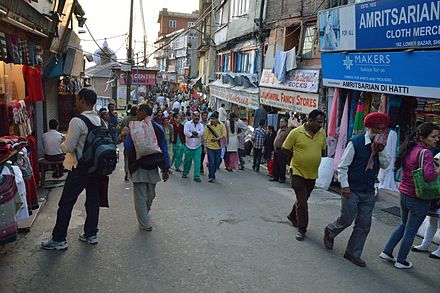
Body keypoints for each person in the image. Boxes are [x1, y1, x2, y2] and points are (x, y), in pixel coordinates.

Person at [323, 112, 391, 267]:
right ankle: (330, 230)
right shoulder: (356, 142)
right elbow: (342, 166)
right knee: (347, 219)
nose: (380, 132)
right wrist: (345, 186)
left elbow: (386, 165)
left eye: (382, 129)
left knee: (364, 224)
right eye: (378, 128)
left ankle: (353, 253)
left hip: (368, 190)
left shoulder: (381, 145)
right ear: (370, 127)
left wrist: (380, 150)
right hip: (352, 188)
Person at [42, 88, 103, 250]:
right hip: (97, 169)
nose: (75, 103)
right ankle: (91, 234)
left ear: (83, 100)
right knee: (93, 202)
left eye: (77, 99)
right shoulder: (100, 121)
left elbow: (69, 147)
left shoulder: (77, 121)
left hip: (80, 169)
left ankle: (59, 239)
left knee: (66, 203)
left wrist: (62, 142)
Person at [381, 122, 440, 269]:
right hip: (418, 197)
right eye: (433, 136)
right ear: (422, 137)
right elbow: (429, 176)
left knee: (404, 225)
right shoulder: (425, 152)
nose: (436, 139)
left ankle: (387, 251)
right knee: (411, 230)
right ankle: (401, 261)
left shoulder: (410, 147)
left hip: (404, 194)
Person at [283, 110, 327, 241]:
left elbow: (323, 149)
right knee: (303, 203)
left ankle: (292, 215)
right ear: (310, 120)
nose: (321, 125)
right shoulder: (296, 132)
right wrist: (295, 159)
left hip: (312, 174)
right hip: (297, 171)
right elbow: (285, 148)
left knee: (303, 199)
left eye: (322, 123)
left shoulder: (322, 133)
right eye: (319, 122)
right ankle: (302, 229)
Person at [125, 104, 170, 231]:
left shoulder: (134, 128)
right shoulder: (158, 128)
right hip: (150, 166)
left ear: (143, 112)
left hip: (139, 165)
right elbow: (164, 149)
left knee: (142, 197)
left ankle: (144, 216)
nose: (136, 114)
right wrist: (165, 169)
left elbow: (128, 146)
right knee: (149, 195)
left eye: (138, 112)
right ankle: (145, 222)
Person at [182, 111, 204, 182]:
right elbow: (186, 133)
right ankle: (185, 172)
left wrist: (195, 133)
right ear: (192, 116)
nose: (197, 117)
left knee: (197, 161)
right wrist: (196, 134)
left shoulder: (201, 125)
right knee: (187, 161)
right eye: (195, 116)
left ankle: (197, 176)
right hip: (188, 146)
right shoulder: (187, 124)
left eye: (198, 116)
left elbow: (202, 133)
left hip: (198, 146)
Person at [204, 111, 225, 183]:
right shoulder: (208, 126)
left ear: (217, 119)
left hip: (218, 147)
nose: (212, 120)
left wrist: (216, 139)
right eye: (211, 119)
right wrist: (205, 147)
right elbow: (205, 137)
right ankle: (211, 176)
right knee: (211, 162)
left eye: (213, 119)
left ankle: (213, 173)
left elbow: (224, 135)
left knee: (217, 162)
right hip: (210, 147)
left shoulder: (221, 125)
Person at [271, 118, 291, 183]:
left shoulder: (288, 131)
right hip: (276, 149)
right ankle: (275, 176)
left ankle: (282, 178)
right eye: (280, 121)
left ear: (286, 123)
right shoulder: (279, 130)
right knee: (275, 164)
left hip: (282, 150)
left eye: (282, 122)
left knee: (281, 164)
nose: (280, 123)